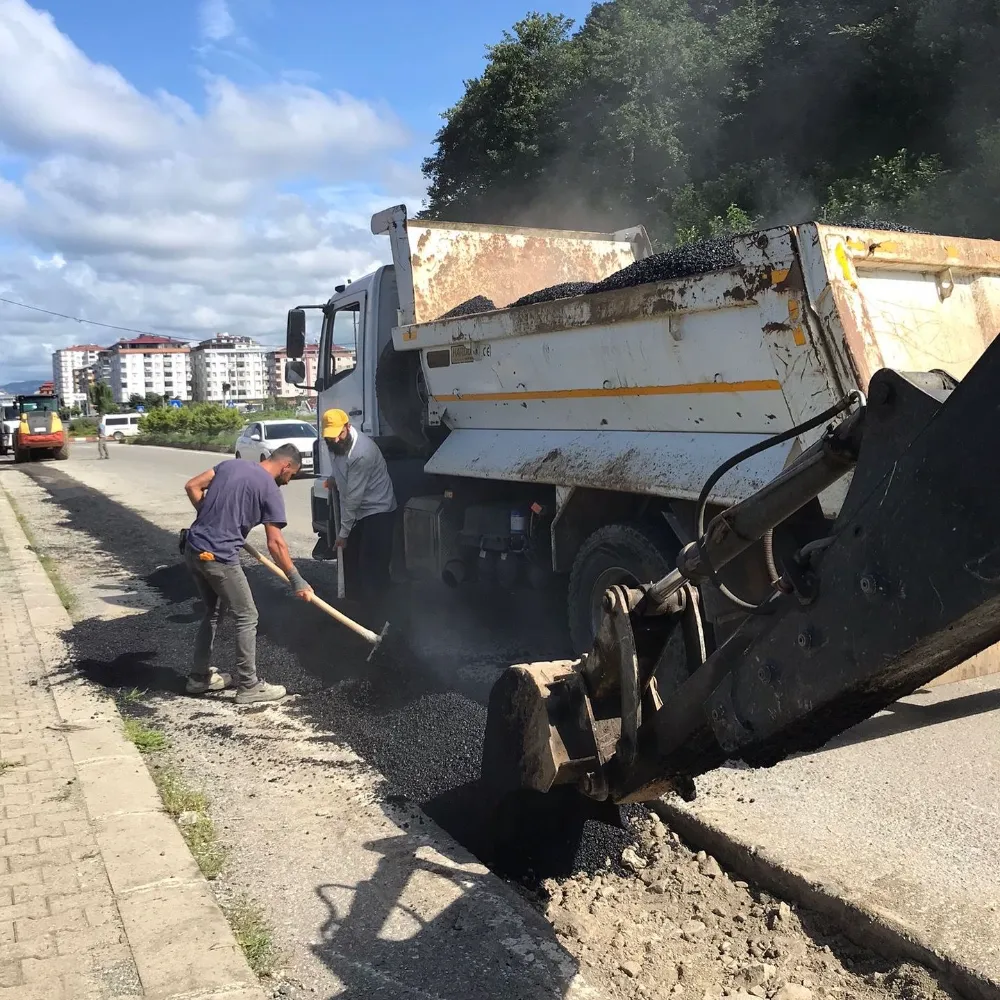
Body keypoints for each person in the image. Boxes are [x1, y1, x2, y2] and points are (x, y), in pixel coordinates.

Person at [182, 443, 313, 704]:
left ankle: (199, 678)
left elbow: (192, 486)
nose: (290, 479)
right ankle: (249, 685)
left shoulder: (231, 465)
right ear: (285, 465)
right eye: (292, 474)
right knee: (247, 615)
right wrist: (296, 579)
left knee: (214, 612)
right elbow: (275, 543)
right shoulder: (269, 489)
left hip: (193, 548)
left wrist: (211, 518)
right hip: (218, 556)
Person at [321, 408, 397, 605]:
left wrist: (343, 534)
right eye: (330, 437)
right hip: (356, 510)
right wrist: (333, 479)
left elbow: (354, 497)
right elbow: (340, 469)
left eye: (339, 435)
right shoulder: (334, 444)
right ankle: (355, 608)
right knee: (350, 561)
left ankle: (383, 612)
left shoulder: (362, 452)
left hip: (377, 510)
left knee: (371, 565)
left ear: (347, 426)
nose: (335, 440)